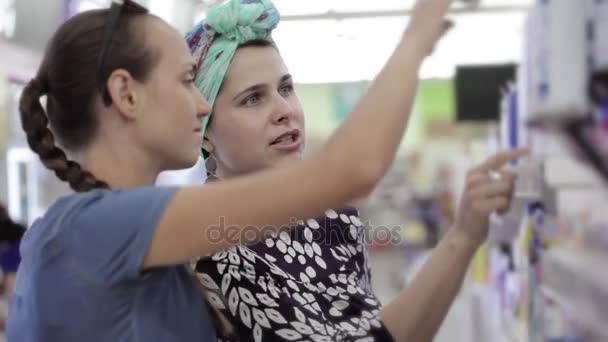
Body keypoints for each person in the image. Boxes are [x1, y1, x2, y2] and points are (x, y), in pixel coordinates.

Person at [1, 0, 518, 341]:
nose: (198, 106)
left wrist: (461, 238)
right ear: (126, 93)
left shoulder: (143, 240)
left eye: (287, 88)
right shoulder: (97, 228)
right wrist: (416, 40)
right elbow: (352, 168)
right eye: (186, 82)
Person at [186, 0, 526, 341]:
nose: (285, 110)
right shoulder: (212, 247)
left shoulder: (333, 217)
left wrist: (464, 235)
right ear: (206, 133)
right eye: (252, 99)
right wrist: (460, 239)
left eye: (286, 88)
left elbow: (371, 329)